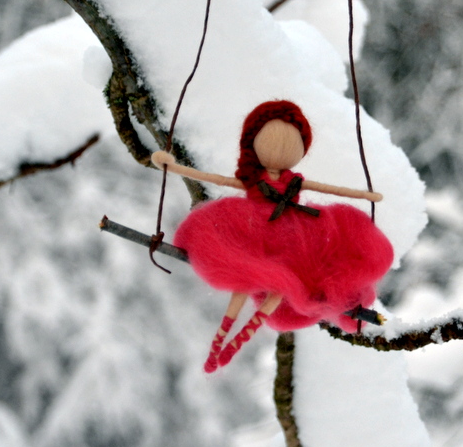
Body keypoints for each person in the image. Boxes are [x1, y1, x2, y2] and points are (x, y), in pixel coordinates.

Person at [151, 100, 394, 372]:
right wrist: (174, 168)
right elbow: (217, 180)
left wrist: (363, 195)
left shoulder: (294, 181)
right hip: (255, 222)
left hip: (292, 231)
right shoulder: (254, 179)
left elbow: (336, 190)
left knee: (285, 278)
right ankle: (221, 340)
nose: (282, 150)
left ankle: (237, 340)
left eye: (293, 143)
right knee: (247, 274)